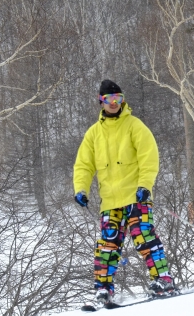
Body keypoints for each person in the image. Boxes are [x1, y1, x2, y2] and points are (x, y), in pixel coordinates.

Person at [73, 79, 174, 304]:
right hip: (110, 201)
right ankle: (103, 288)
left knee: (143, 236)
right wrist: (81, 188)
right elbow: (84, 165)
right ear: (101, 101)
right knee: (107, 245)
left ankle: (163, 279)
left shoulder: (134, 126)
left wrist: (145, 186)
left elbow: (149, 157)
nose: (114, 103)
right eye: (109, 99)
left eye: (118, 99)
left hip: (136, 196)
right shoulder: (93, 134)